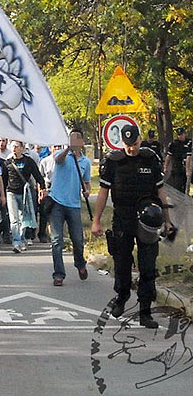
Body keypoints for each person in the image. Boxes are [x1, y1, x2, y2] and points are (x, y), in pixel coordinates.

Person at [91, 124, 174, 328]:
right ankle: (122, 295)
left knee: (147, 265)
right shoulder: (113, 162)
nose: (132, 149)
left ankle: (145, 310)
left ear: (140, 139)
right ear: (122, 143)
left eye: (135, 144)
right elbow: (103, 193)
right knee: (122, 262)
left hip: (147, 219)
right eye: (128, 145)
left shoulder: (150, 158)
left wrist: (167, 219)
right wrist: (96, 221)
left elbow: (161, 191)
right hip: (122, 218)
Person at [48, 129, 90, 286]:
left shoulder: (85, 162)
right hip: (57, 202)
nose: (75, 141)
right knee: (57, 240)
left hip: (74, 204)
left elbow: (86, 182)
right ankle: (58, 274)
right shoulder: (62, 154)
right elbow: (58, 160)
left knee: (78, 240)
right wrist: (68, 148)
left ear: (82, 142)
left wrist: (87, 191)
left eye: (77, 139)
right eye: (72, 138)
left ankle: (80, 263)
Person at [4, 140, 46, 253]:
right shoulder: (7, 162)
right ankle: (16, 242)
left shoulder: (28, 161)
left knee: (24, 218)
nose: (14, 149)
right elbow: (3, 179)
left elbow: (38, 176)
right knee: (14, 219)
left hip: (24, 192)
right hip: (11, 192)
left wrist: (42, 188)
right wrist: (1, 194)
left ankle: (22, 239)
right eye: (12, 146)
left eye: (17, 146)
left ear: (22, 148)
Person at [38, 145, 63, 243]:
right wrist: (40, 191)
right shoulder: (45, 161)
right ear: (50, 148)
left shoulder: (64, 161)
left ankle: (55, 235)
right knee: (44, 214)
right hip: (48, 189)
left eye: (59, 147)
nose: (57, 149)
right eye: (55, 147)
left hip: (60, 190)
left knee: (57, 214)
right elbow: (40, 178)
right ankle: (42, 234)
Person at [163, 127, 191, 193]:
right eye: (179, 135)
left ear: (185, 134)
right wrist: (165, 167)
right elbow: (168, 156)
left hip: (186, 167)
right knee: (176, 187)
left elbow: (188, 157)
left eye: (181, 134)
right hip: (177, 168)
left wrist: (187, 170)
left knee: (184, 187)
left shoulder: (189, 143)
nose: (180, 136)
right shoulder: (174, 144)